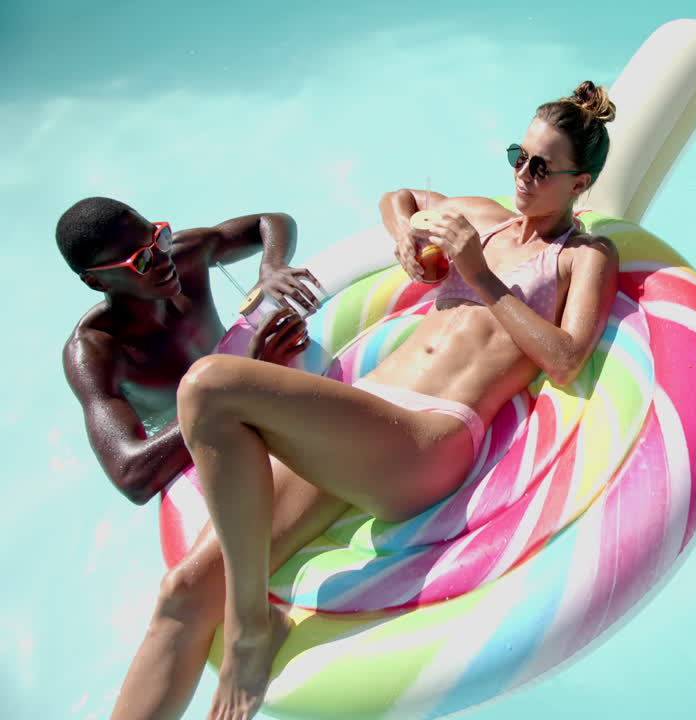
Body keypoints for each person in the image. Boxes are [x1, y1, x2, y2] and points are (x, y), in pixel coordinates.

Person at [109, 81, 620, 720]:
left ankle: (250, 626)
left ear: (580, 184)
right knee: (182, 591)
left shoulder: (583, 256)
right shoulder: (480, 217)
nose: (522, 174)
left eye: (542, 167)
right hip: (361, 417)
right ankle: (242, 622)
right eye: (518, 154)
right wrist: (406, 234)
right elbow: (397, 196)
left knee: (210, 383)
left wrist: (481, 276)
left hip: (427, 439)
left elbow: (567, 359)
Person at [59, 198, 323, 505]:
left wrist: (271, 266)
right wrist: (242, 379)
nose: (162, 260)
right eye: (141, 261)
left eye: (159, 238)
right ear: (96, 281)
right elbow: (131, 476)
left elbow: (269, 221)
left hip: (238, 383)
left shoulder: (184, 257)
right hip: (195, 440)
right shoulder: (95, 353)